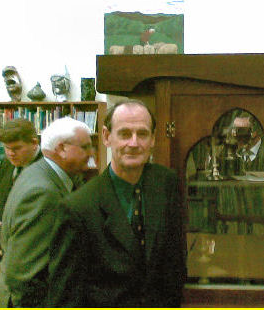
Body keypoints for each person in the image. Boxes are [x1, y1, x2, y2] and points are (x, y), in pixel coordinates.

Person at [47, 100, 186, 307]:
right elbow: (65, 296)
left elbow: (174, 265)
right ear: (106, 136)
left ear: (153, 139)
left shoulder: (167, 183)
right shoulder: (78, 208)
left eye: (142, 134)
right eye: (124, 134)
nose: (134, 143)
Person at [0, 117, 93, 307]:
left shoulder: (40, 172)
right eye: (85, 147)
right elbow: (24, 275)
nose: (91, 153)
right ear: (62, 148)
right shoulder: (44, 192)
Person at [0, 119, 42, 285]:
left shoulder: (47, 168)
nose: (10, 153)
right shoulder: (7, 164)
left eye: (16, 148)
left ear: (34, 143)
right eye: (7, 148)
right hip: (3, 254)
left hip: (31, 262)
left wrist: (1, 231)